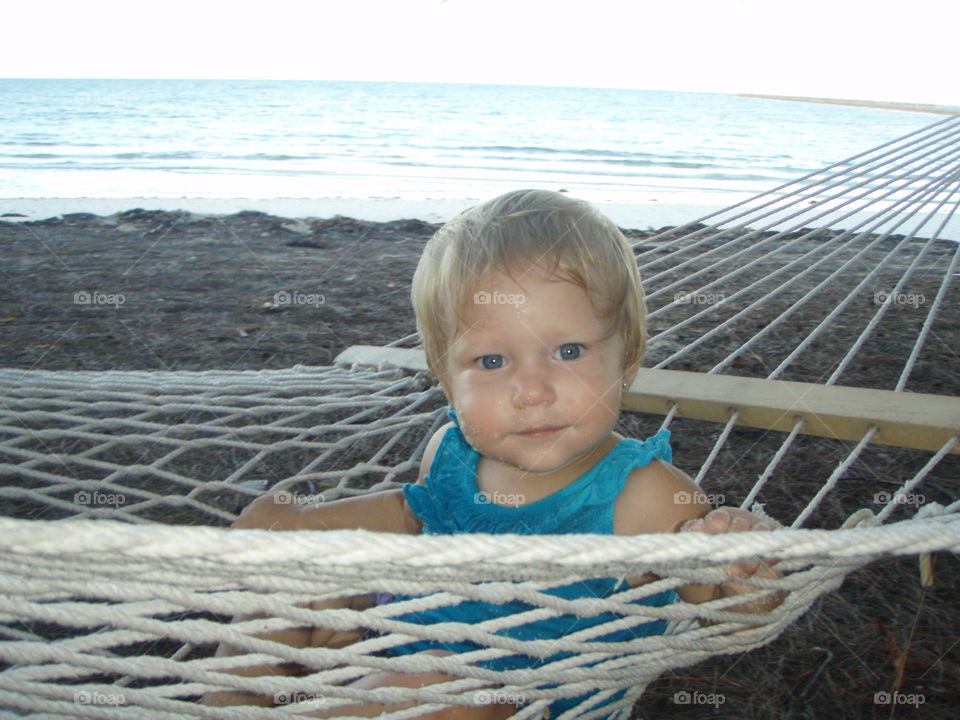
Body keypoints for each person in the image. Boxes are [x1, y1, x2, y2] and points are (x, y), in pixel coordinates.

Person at [203, 189, 782, 718]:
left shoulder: (644, 494)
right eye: (492, 362)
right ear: (444, 377)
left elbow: (712, 609)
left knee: (446, 691)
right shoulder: (452, 449)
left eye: (570, 350)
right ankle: (227, 704)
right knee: (291, 583)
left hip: (515, 695)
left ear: (626, 357)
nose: (532, 391)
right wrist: (308, 526)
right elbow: (412, 514)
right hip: (397, 632)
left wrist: (739, 573)